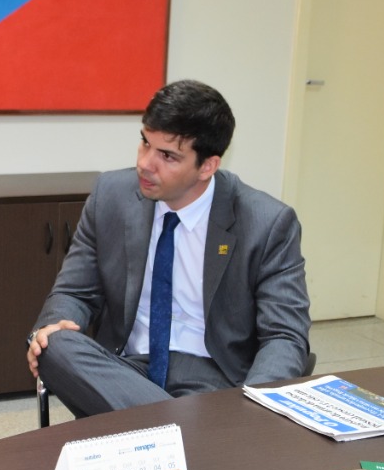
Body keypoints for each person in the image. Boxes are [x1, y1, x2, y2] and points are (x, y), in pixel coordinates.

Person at [26, 79, 311, 417]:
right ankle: (189, 435)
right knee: (53, 344)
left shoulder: (267, 223)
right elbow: (74, 293)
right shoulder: (111, 196)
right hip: (123, 370)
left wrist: (250, 413)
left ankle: (168, 433)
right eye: (145, 143)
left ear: (207, 166)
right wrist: (56, 324)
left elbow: (284, 336)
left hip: (213, 377)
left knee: (217, 412)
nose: (146, 163)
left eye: (167, 156)